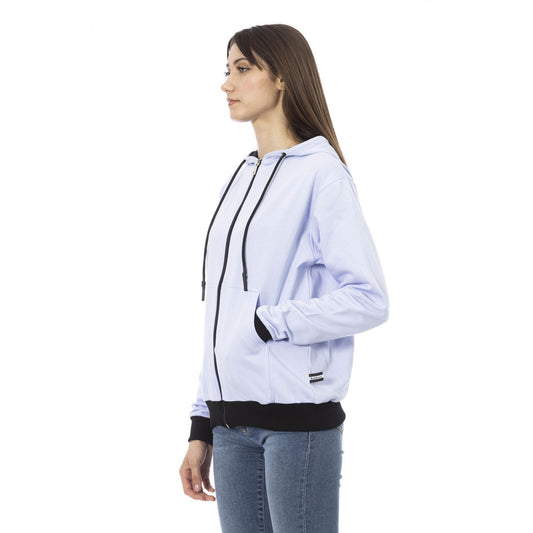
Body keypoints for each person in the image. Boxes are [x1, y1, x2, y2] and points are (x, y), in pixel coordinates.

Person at [179, 23, 389, 532]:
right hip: (231, 427)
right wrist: (202, 422)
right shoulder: (240, 178)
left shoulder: (322, 175)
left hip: (298, 425)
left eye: (242, 69)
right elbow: (220, 313)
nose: (227, 83)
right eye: (227, 70)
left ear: (282, 78)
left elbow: (368, 298)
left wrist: (270, 323)